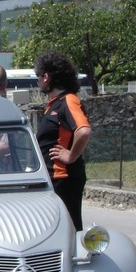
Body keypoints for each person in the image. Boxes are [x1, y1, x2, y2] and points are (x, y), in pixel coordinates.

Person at [34, 51, 91, 231]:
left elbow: (84, 131)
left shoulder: (69, 101)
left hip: (64, 178)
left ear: (46, 77)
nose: (37, 82)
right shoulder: (56, 103)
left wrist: (71, 155)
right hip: (53, 178)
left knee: (69, 228)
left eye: (38, 77)